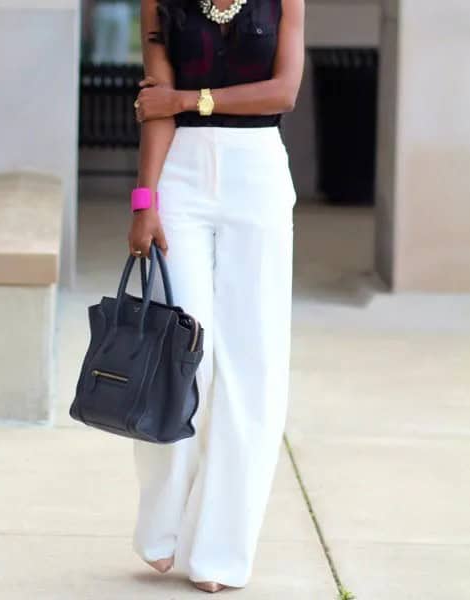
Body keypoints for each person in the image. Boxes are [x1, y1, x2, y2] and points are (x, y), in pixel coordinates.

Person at [128, 0, 304, 592]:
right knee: (176, 356)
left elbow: (283, 92)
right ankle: (161, 523)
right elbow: (156, 104)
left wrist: (189, 100)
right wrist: (144, 202)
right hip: (179, 176)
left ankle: (222, 551)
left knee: (252, 367)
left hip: (257, 176)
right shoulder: (160, 2)